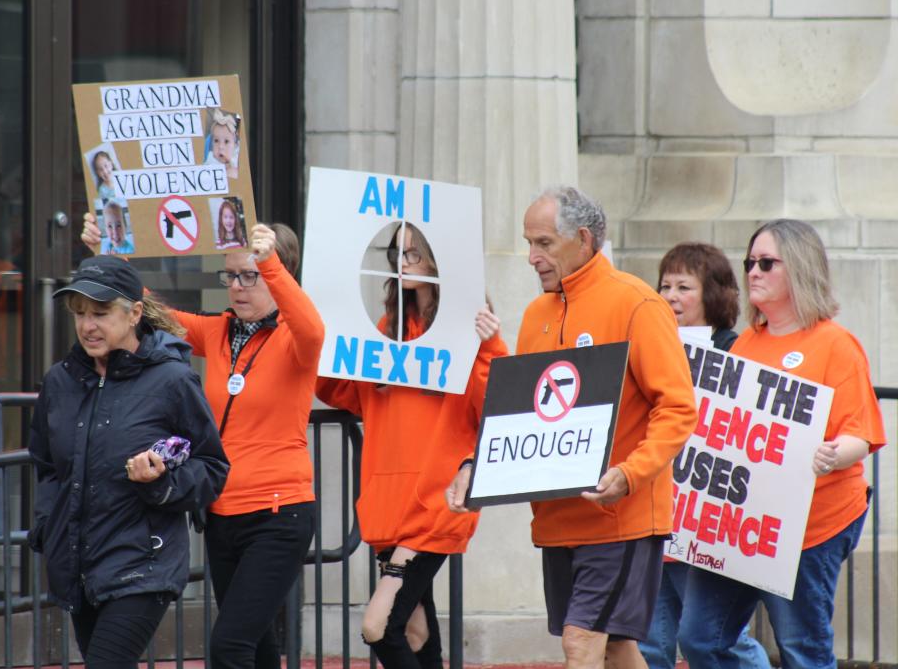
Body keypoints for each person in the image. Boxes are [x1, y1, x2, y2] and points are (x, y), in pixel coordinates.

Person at [446, 186, 697, 669]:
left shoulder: (637, 303)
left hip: (619, 518)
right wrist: (473, 466)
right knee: (617, 649)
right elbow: (518, 415)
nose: (530, 257)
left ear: (583, 239)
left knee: (581, 645)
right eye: (529, 243)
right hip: (558, 520)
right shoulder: (537, 314)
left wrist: (630, 473)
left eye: (543, 243)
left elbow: (678, 408)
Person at [82, 213, 323, 669]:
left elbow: (312, 327)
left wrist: (269, 262)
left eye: (249, 275)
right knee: (258, 647)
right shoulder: (219, 331)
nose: (236, 286)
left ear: (278, 275)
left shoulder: (297, 338)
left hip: (278, 513)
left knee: (230, 647)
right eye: (230, 275)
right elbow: (152, 315)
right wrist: (108, 256)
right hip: (221, 513)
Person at [677, 219, 887, 669]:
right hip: (740, 522)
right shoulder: (747, 343)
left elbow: (861, 433)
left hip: (812, 525)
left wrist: (834, 454)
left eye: (767, 263)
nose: (753, 271)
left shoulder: (836, 344)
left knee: (801, 649)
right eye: (750, 262)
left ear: (799, 269)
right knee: (699, 637)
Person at [316, 221, 507, 669]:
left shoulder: (471, 328)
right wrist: (326, 340)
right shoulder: (389, 326)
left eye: (413, 254)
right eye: (397, 255)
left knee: (378, 626)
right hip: (390, 503)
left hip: (436, 500)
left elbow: (494, 406)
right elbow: (345, 392)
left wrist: (488, 345)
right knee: (417, 632)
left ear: (441, 262)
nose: (402, 264)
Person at [28, 255, 229, 668]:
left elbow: (212, 467)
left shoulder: (172, 379)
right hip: (78, 562)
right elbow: (47, 466)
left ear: (134, 313)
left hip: (143, 564)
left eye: (100, 313)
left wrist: (161, 481)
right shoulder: (60, 381)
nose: (88, 326)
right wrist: (49, 526)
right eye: (79, 314)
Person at [639, 242, 769, 669]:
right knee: (651, 646)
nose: (671, 296)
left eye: (683, 286)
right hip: (659, 515)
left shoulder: (739, 350)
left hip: (709, 523)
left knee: (712, 641)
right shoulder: (649, 348)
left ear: (712, 294)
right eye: (664, 286)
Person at [207, 108, 239, 180]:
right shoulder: (210, 159)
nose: (220, 146)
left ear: (235, 146)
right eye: (216, 141)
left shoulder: (235, 162)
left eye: (226, 141)